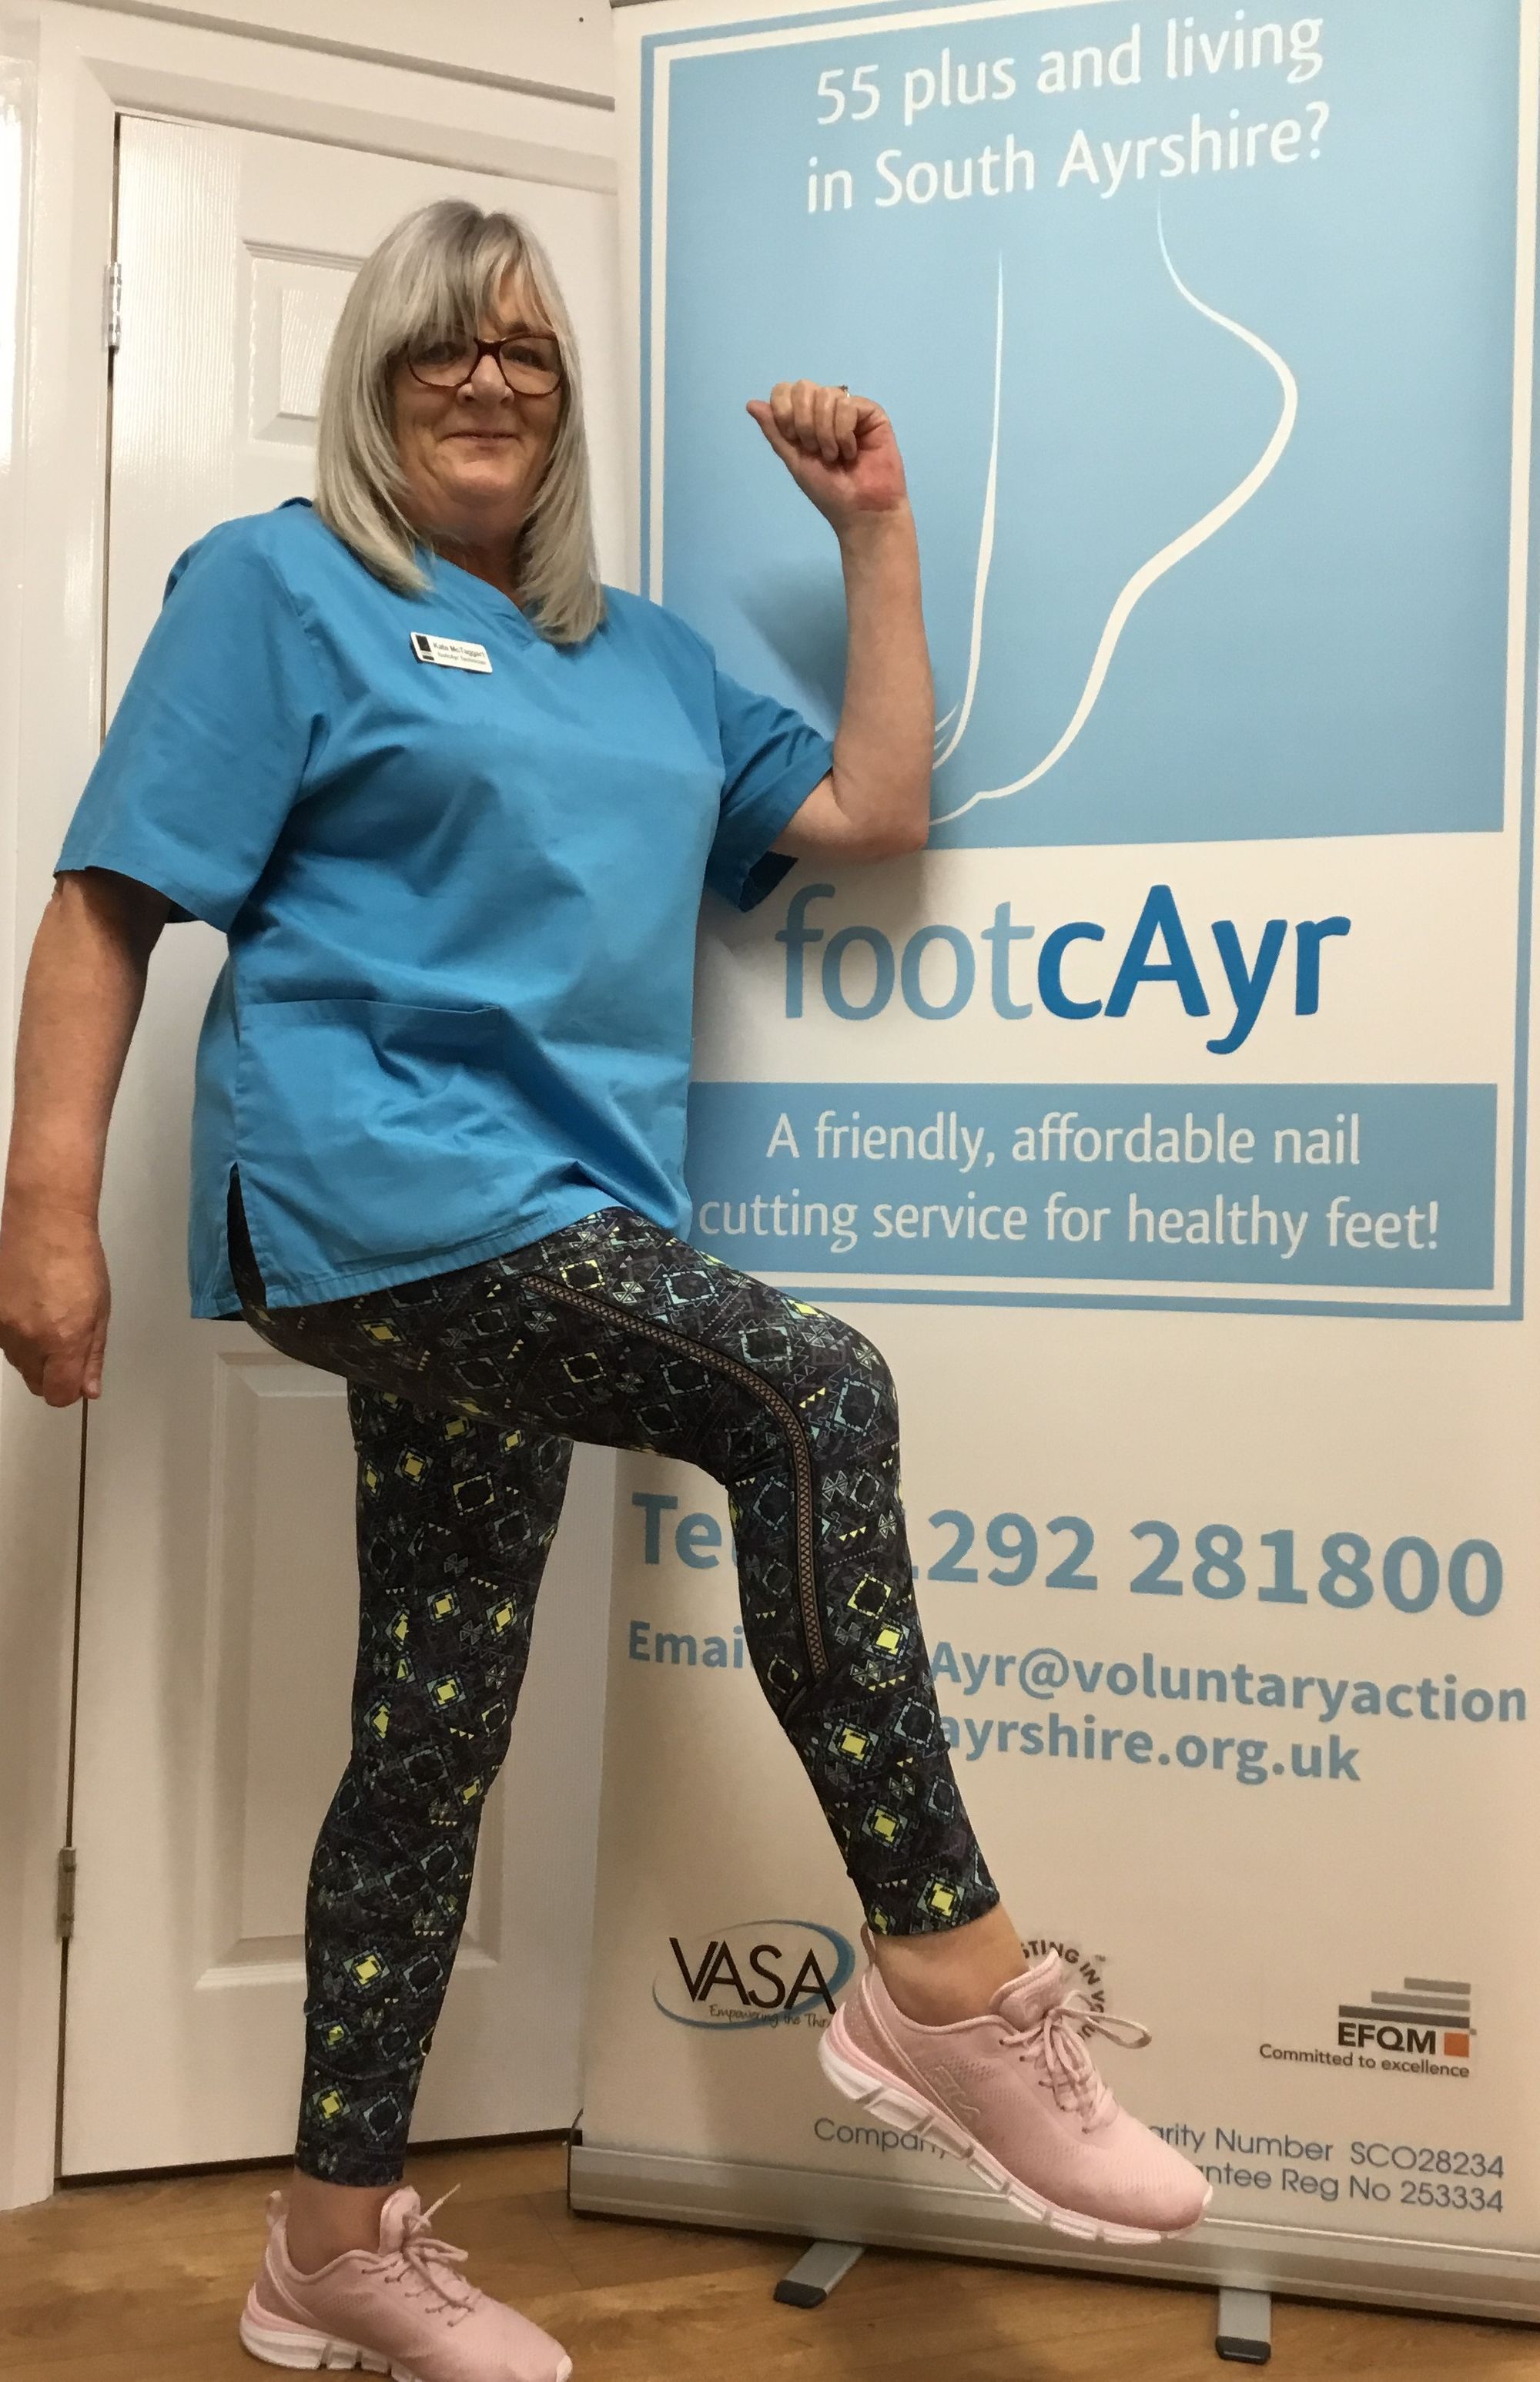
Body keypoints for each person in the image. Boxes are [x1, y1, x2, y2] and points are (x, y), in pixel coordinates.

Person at [0, 199, 1207, 2382]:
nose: (487, 379)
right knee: (811, 1389)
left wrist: (875, 530)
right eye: (440, 345)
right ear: (372, 378)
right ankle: (947, 1981)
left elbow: (875, 807)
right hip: (377, 1185)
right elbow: (107, 905)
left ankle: (329, 2245)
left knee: (430, 1728)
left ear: (565, 403)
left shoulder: (639, 657)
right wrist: (46, 1214)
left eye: (528, 351)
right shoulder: (280, 586)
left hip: (560, 1212)